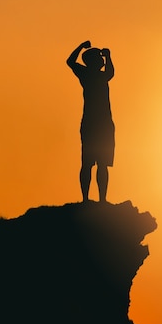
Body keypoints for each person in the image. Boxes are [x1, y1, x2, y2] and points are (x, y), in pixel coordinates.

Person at [66, 40, 115, 203]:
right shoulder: (87, 74)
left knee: (100, 164)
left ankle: (96, 199)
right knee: (92, 163)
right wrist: (81, 46)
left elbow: (110, 72)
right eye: (99, 59)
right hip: (97, 124)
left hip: (101, 124)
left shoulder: (96, 75)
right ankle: (91, 199)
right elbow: (70, 61)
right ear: (93, 61)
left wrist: (107, 57)